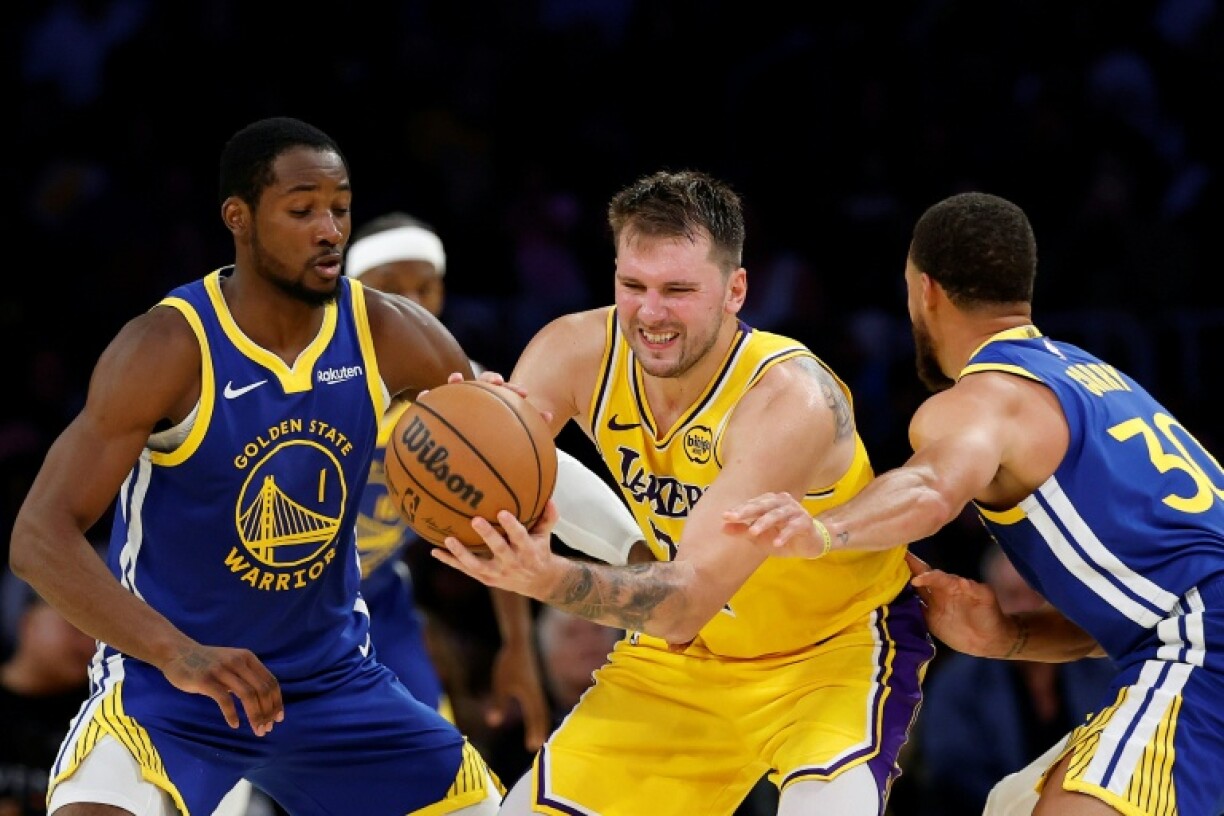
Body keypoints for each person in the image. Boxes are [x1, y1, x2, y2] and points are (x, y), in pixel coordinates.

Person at [8, 116, 505, 816]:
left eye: (340, 208)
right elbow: (38, 536)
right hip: (174, 688)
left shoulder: (390, 331)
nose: (329, 230)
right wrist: (176, 653)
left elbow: (515, 457)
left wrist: (629, 558)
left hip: (334, 681)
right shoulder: (167, 346)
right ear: (238, 218)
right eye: (302, 210)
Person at [432, 169, 934, 815]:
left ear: (735, 291)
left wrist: (549, 578)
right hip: (685, 659)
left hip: (830, 654)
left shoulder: (789, 400)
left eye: (678, 290)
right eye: (633, 286)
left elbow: (688, 601)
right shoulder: (573, 349)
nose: (651, 313)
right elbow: (510, 479)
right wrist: (471, 435)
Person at [723, 191, 1224, 815]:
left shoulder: (983, 399)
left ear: (925, 291)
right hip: (1192, 638)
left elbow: (931, 487)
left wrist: (819, 529)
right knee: (1013, 804)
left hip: (1202, 649)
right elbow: (1145, 604)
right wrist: (1013, 637)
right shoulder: (1095, 377)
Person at [914, 544, 1115, 815]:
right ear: (987, 600)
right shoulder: (957, 682)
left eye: (1036, 596)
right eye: (1012, 595)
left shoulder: (1102, 668)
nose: (1027, 608)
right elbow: (953, 774)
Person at [0, 587, 97, 815]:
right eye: (75, 628)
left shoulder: (101, 716)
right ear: (28, 622)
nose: (88, 646)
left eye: (99, 638)